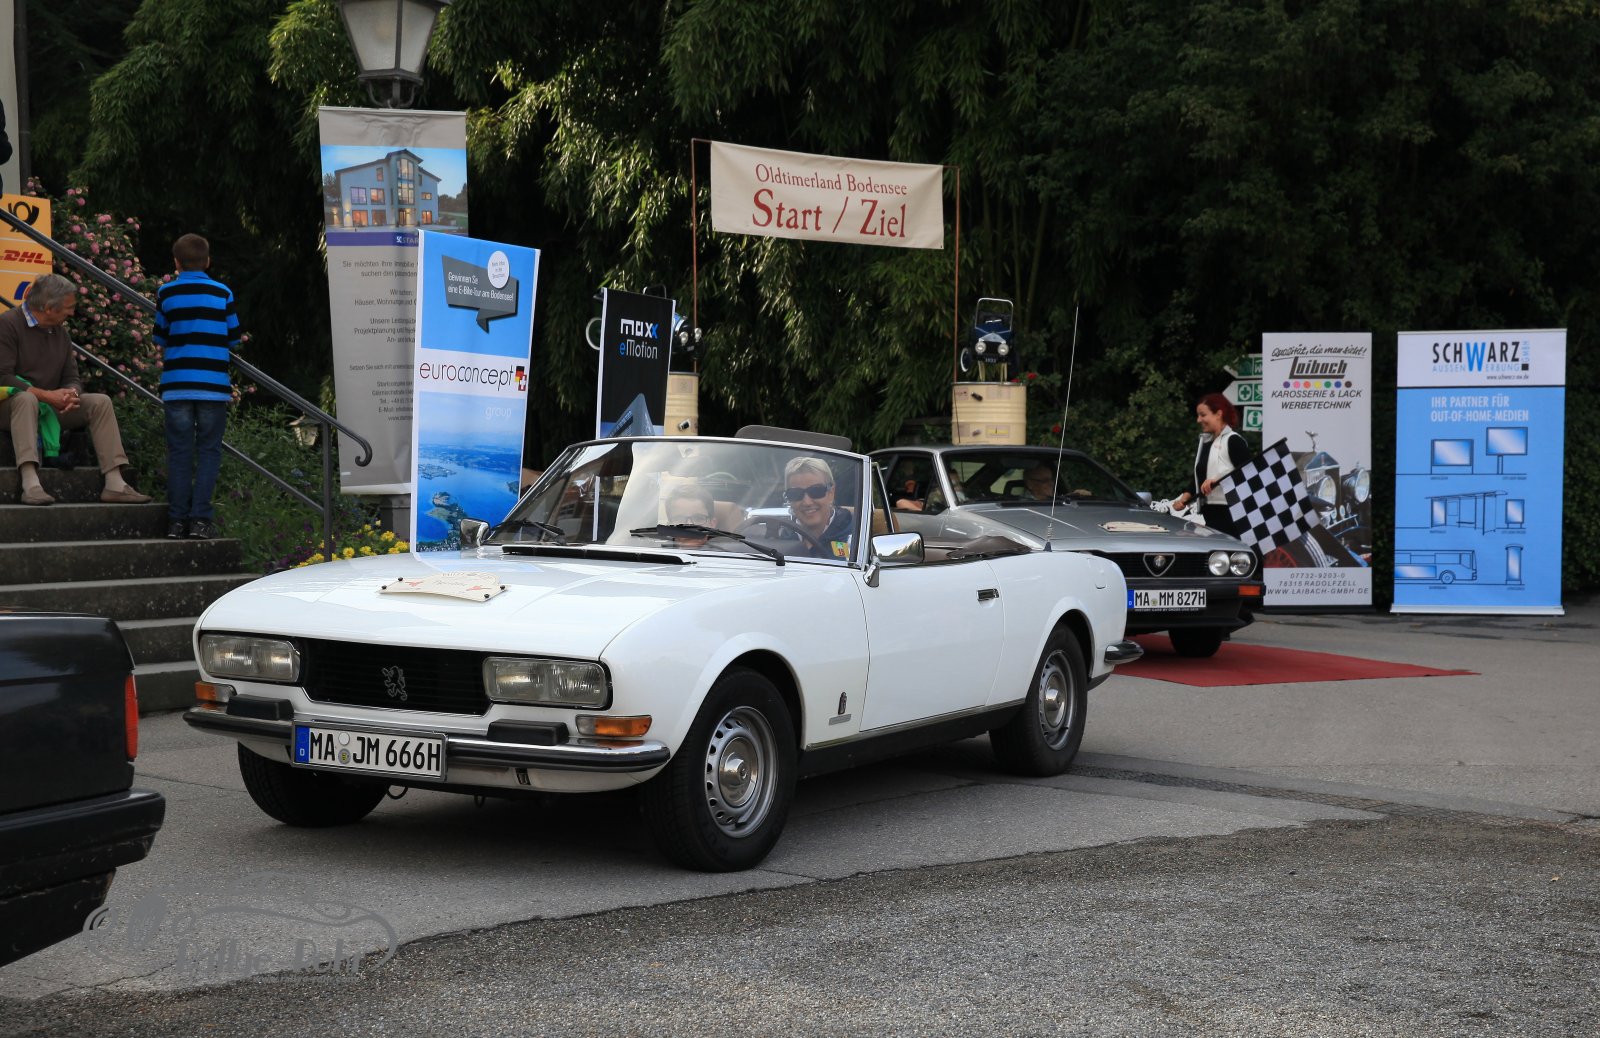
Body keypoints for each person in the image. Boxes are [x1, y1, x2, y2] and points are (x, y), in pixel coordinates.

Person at [0, 274, 152, 506]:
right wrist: (46, 395)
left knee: (100, 402)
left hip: (50, 407)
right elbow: (4, 377)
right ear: (49, 308)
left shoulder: (60, 333)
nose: (72, 313)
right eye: (69, 307)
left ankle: (115, 483)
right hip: (11, 407)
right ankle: (30, 484)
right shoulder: (7, 324)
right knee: (26, 400)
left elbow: (72, 377)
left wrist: (71, 393)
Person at [154, 233, 241, 539]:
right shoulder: (222, 293)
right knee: (209, 451)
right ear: (208, 261)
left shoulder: (166, 292)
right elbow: (234, 338)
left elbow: (160, 336)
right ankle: (200, 521)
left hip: (177, 385)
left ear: (176, 263)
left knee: (179, 452)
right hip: (213, 387)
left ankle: (176, 521)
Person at [1173, 392, 1251, 536]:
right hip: (1211, 513)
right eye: (1198, 415)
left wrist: (1218, 479)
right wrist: (1186, 496)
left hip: (1232, 514)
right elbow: (1201, 476)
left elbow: (1249, 473)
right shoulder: (1207, 442)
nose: (1198, 420)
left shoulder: (1234, 440)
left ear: (1218, 414)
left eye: (1203, 415)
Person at [782, 456, 854, 560]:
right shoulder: (779, 538)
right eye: (796, 493)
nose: (807, 502)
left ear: (831, 493)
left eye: (816, 491)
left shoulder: (854, 536)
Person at [663, 482, 716, 548]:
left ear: (712, 524)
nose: (689, 526)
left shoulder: (725, 551)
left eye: (698, 518)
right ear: (669, 526)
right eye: (680, 519)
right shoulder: (657, 551)